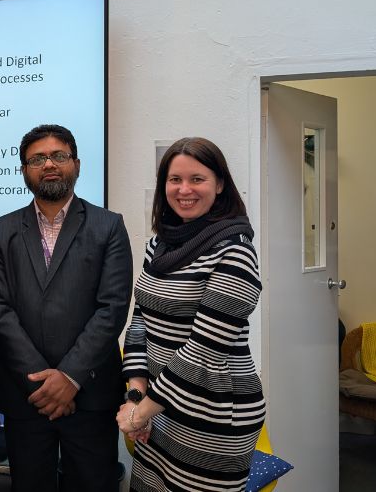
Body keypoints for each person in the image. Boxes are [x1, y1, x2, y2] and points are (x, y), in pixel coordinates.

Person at [0, 124, 132, 492]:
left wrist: (68, 378)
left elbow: (111, 309)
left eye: (58, 156)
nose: (49, 164)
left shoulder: (108, 226)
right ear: (24, 170)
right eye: (37, 159)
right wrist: (44, 381)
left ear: (76, 164)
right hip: (26, 394)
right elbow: (0, 311)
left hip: (90, 393)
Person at [118, 137, 265, 491]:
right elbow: (141, 321)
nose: (184, 189)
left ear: (219, 184)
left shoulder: (236, 252)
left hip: (213, 415)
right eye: (174, 179)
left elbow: (204, 350)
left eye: (197, 179)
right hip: (160, 406)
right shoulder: (160, 243)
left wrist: (142, 412)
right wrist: (137, 392)